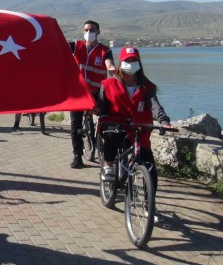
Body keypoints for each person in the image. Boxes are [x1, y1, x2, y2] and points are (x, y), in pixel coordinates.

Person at [94, 46, 173, 222]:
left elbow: (155, 106)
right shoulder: (108, 84)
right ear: (120, 63)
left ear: (139, 63)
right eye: (127, 61)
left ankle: (149, 204)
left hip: (138, 129)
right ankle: (108, 167)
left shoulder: (147, 87)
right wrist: (96, 108)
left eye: (133, 61)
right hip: (114, 125)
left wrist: (164, 121)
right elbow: (101, 106)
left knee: (150, 169)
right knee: (112, 137)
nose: (130, 64)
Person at [68, 20, 116, 168]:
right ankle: (77, 156)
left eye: (92, 30)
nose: (89, 33)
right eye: (86, 30)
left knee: (108, 120)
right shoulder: (77, 46)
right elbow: (59, 46)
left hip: (97, 93)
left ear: (98, 32)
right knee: (75, 126)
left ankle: (107, 153)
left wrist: (120, 78)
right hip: (79, 93)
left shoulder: (105, 50)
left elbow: (110, 66)